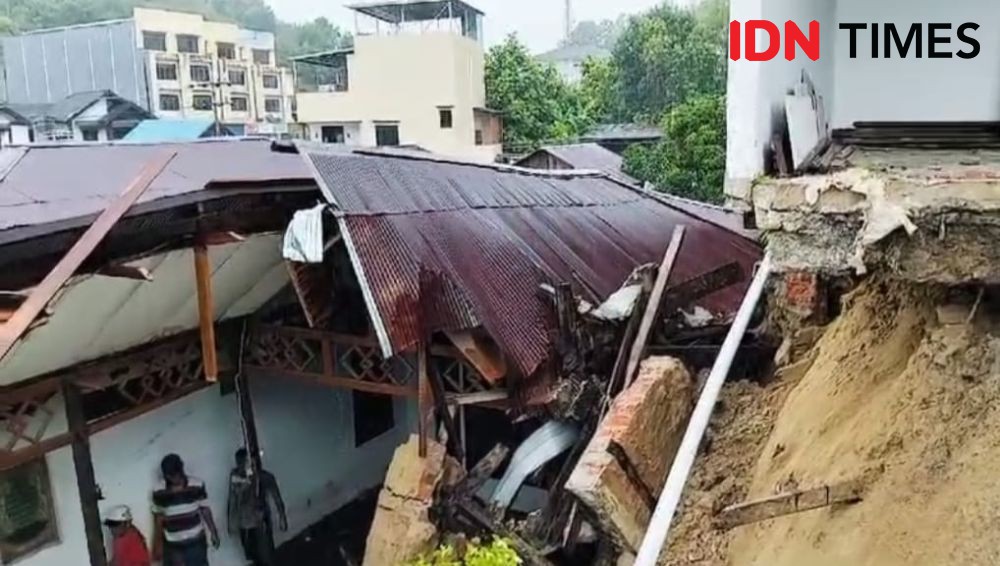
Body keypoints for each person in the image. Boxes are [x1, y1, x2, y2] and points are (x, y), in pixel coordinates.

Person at [152, 454, 221, 566]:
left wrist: (214, 532)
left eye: (176, 474)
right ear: (166, 475)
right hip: (172, 544)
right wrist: (157, 544)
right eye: (170, 476)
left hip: (196, 542)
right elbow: (158, 518)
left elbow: (205, 510)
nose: (174, 478)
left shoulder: (197, 485)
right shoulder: (159, 491)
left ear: (182, 469)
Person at [227, 448, 288, 566]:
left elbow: (276, 497)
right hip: (244, 524)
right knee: (252, 556)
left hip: (260, 522)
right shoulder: (236, 478)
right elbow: (233, 499)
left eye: (244, 463)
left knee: (266, 556)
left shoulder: (264, 477)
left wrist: (282, 517)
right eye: (239, 463)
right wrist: (231, 523)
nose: (241, 466)